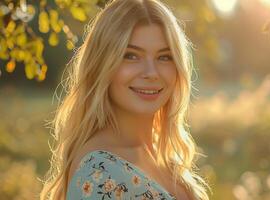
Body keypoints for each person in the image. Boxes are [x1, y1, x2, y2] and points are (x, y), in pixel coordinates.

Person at [39, 0, 211, 199]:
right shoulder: (98, 172)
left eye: (164, 57)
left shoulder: (163, 155)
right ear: (101, 64)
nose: (151, 73)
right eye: (131, 55)